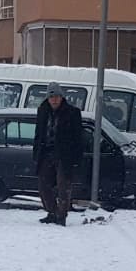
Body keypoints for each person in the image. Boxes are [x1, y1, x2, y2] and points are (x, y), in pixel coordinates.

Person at [33, 83, 84, 225]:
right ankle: (52, 212)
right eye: (51, 97)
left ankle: (61, 216)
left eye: (56, 96)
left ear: (62, 97)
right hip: (46, 153)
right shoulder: (42, 111)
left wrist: (76, 159)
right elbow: (38, 134)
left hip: (64, 156)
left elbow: (78, 138)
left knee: (63, 187)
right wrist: (36, 154)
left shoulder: (72, 112)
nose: (54, 99)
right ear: (47, 98)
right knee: (43, 186)